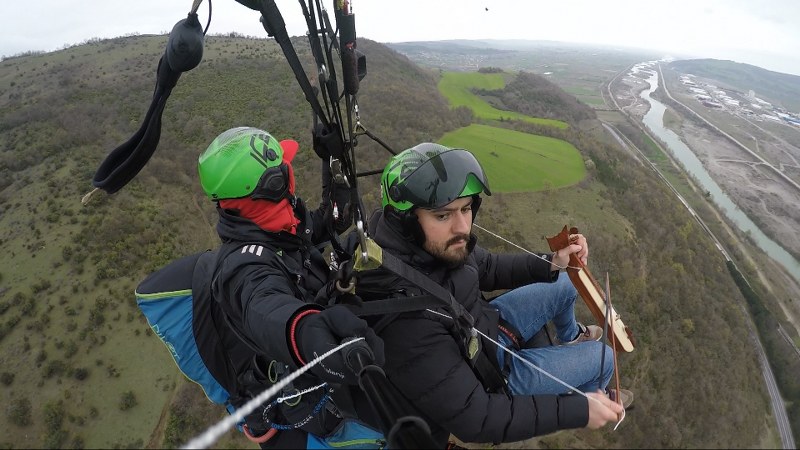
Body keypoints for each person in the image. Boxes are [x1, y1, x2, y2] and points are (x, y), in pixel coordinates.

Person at [352, 142, 631, 446]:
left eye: (466, 208)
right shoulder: (405, 321)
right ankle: (587, 396)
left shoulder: (438, 246)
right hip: (491, 379)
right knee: (604, 360)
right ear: (406, 221)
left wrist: (553, 262)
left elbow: (489, 266)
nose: (462, 227)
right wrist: (577, 410)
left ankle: (571, 336)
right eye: (443, 215)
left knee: (565, 282)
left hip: (485, 329)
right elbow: (479, 419)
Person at [194, 126, 386, 448]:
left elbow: (331, 221)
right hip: (306, 392)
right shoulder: (243, 267)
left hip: (324, 326)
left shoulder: (276, 225)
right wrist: (309, 332)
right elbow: (265, 307)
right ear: (276, 184)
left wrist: (333, 164)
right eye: (286, 169)